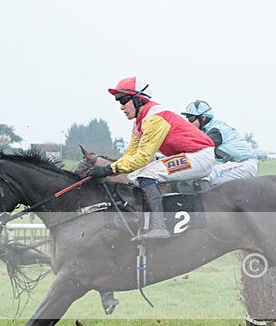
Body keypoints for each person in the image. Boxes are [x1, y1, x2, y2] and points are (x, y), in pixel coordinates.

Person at [86, 77, 216, 241]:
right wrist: (110, 170)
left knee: (145, 175)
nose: (121, 106)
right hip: (189, 156)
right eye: (118, 101)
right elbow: (130, 156)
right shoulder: (138, 124)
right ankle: (146, 223)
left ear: (139, 99)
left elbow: (141, 158)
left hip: (200, 156)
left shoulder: (154, 118)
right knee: (134, 177)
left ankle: (159, 227)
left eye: (123, 100)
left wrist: (107, 170)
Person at [181, 100, 259, 186]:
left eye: (191, 118)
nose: (189, 123)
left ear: (203, 118)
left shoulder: (215, 131)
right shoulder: (209, 129)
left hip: (244, 165)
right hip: (236, 164)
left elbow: (198, 150)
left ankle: (202, 200)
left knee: (202, 176)